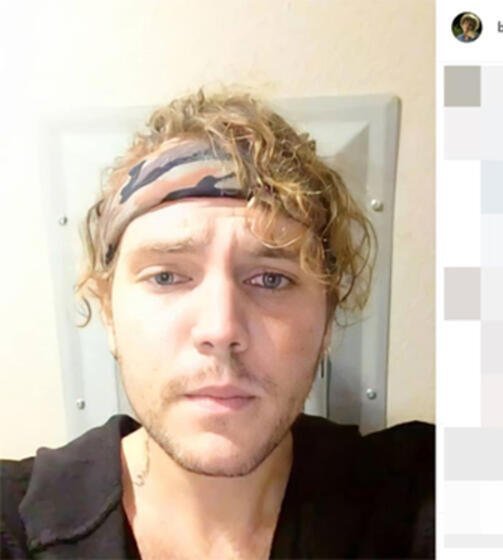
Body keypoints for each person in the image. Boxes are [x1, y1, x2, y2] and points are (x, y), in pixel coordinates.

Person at [0, 89, 434, 559]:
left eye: (271, 279)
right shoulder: (12, 524)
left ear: (328, 318)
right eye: (166, 276)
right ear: (108, 311)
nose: (221, 329)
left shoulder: (419, 502)